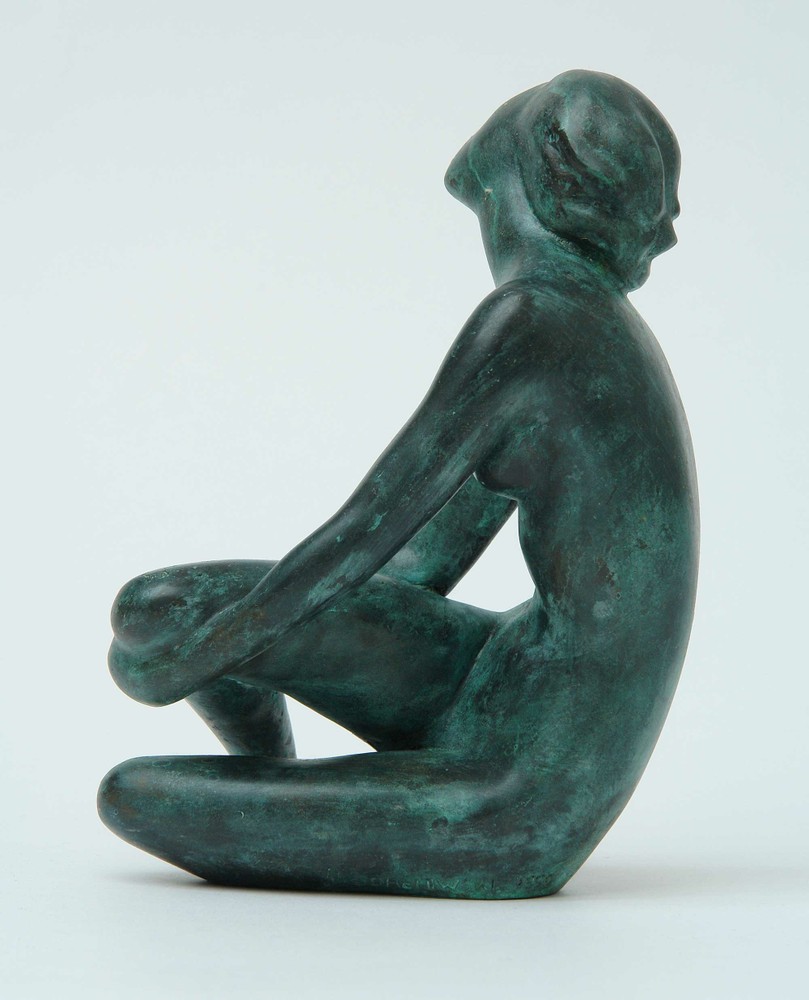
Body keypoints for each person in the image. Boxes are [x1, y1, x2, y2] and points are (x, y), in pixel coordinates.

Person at [98, 70, 698, 899]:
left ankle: (276, 790)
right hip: (489, 673)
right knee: (152, 607)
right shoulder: (571, 321)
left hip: (523, 791)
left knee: (132, 793)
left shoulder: (531, 321)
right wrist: (221, 647)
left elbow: (362, 534)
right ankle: (271, 773)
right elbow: (418, 564)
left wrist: (188, 664)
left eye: (484, 195)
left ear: (525, 192)